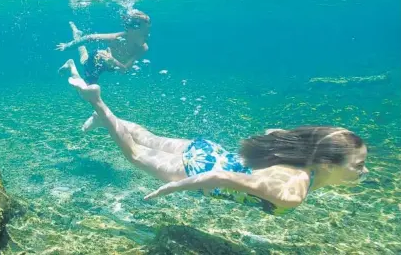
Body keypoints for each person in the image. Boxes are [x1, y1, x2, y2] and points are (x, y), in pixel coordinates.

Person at [64, 76, 369, 216]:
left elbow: (275, 132)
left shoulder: (304, 156)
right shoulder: (293, 193)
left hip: (211, 151)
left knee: (147, 137)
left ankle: (103, 115)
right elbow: (223, 179)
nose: (363, 172)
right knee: (136, 153)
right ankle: (98, 103)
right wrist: (172, 188)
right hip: (203, 168)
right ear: (327, 164)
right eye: (358, 165)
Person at [56, 9, 151, 85]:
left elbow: (125, 70)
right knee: (87, 80)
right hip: (98, 60)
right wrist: (68, 46)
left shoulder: (143, 48)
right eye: (144, 33)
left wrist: (113, 61)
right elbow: (90, 37)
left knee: (83, 58)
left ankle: (77, 35)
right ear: (131, 30)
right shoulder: (117, 38)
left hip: (111, 66)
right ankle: (71, 62)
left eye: (148, 32)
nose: (148, 35)